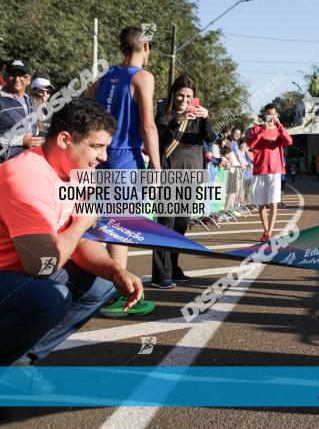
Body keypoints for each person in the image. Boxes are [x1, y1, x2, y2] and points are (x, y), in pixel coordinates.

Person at [0, 97, 143, 366]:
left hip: (19, 273)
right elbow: (42, 265)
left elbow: (78, 243)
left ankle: (20, 360)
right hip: (17, 274)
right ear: (65, 139)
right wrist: (81, 224)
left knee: (102, 285)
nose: (103, 157)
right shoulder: (26, 176)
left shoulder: (78, 174)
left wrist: (116, 271)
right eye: (97, 147)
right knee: (49, 298)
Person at [84, 26, 160, 317]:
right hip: (125, 158)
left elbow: (86, 109)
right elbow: (148, 126)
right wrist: (155, 166)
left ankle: (95, 290)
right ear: (144, 46)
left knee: (97, 224)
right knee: (120, 228)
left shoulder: (105, 77)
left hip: (99, 156)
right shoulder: (143, 77)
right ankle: (118, 295)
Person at [151, 75, 214, 289]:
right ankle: (161, 274)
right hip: (170, 171)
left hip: (192, 173)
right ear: (173, 94)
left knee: (181, 224)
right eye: (180, 94)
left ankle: (174, 268)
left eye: (189, 96)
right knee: (165, 223)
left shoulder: (198, 116)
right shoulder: (163, 112)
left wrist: (206, 118)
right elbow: (160, 139)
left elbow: (210, 138)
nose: (184, 99)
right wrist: (178, 119)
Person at [247, 103, 292, 242]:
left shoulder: (279, 130)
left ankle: (270, 232)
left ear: (277, 115)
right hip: (260, 169)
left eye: (273, 114)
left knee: (273, 203)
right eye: (268, 114)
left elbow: (289, 141)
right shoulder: (256, 129)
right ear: (264, 115)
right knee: (261, 203)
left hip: (275, 170)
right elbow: (251, 145)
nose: (270, 116)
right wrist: (263, 131)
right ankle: (265, 229)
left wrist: (280, 127)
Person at [0, 58, 40, 163]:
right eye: (12, 75)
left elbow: (33, 131)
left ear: (29, 79)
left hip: (27, 163)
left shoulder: (30, 101)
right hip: (4, 166)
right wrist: (20, 141)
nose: (17, 79)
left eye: (22, 75)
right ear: (5, 77)